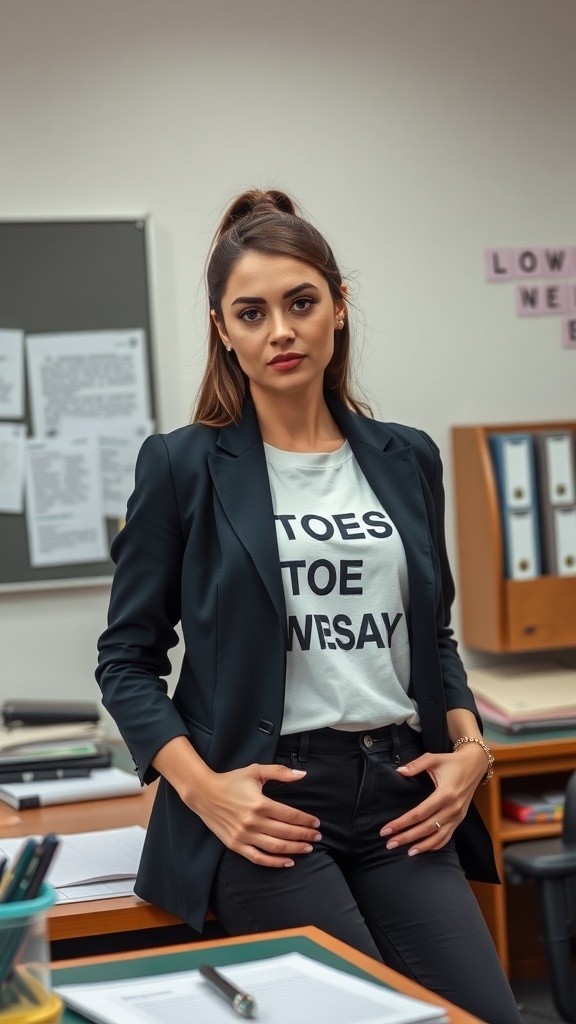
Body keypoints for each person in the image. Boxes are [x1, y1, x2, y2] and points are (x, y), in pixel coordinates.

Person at [96, 189, 522, 1024]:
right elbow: (126, 660)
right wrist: (204, 790)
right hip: (271, 804)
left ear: (338, 306)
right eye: (251, 313)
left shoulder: (408, 458)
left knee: (490, 1017)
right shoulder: (182, 467)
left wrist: (472, 751)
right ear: (224, 330)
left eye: (301, 303)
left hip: (402, 789)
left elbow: (429, 639)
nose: (280, 331)